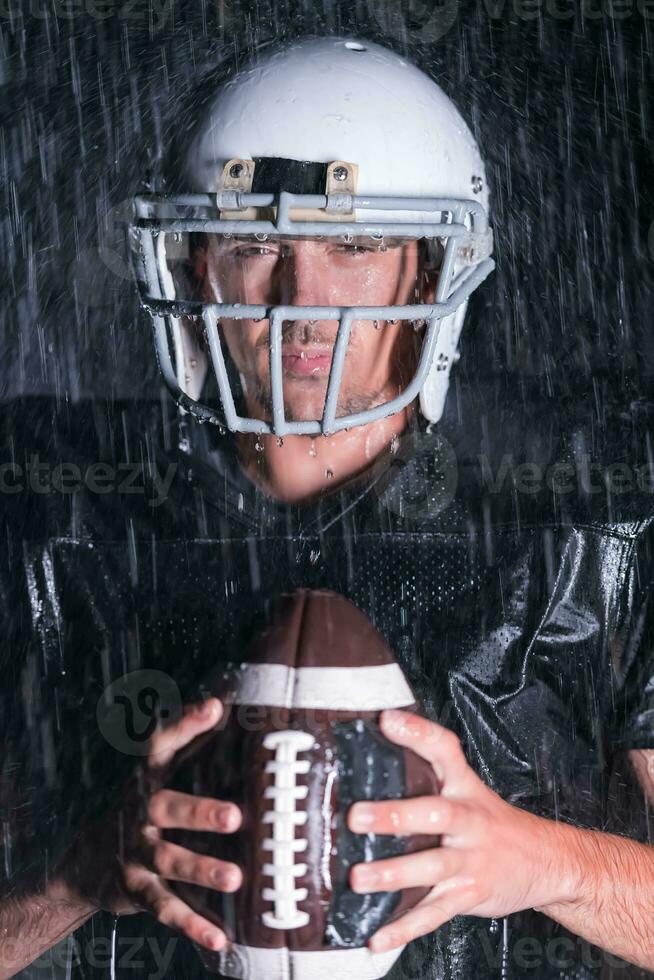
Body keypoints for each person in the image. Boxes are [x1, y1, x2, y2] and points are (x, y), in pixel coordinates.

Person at [1, 35, 654, 980]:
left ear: (430, 271)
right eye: (255, 243)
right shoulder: (53, 513)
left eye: (354, 243)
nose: (301, 303)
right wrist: (77, 874)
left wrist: (544, 863)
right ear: (191, 269)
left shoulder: (596, 509)